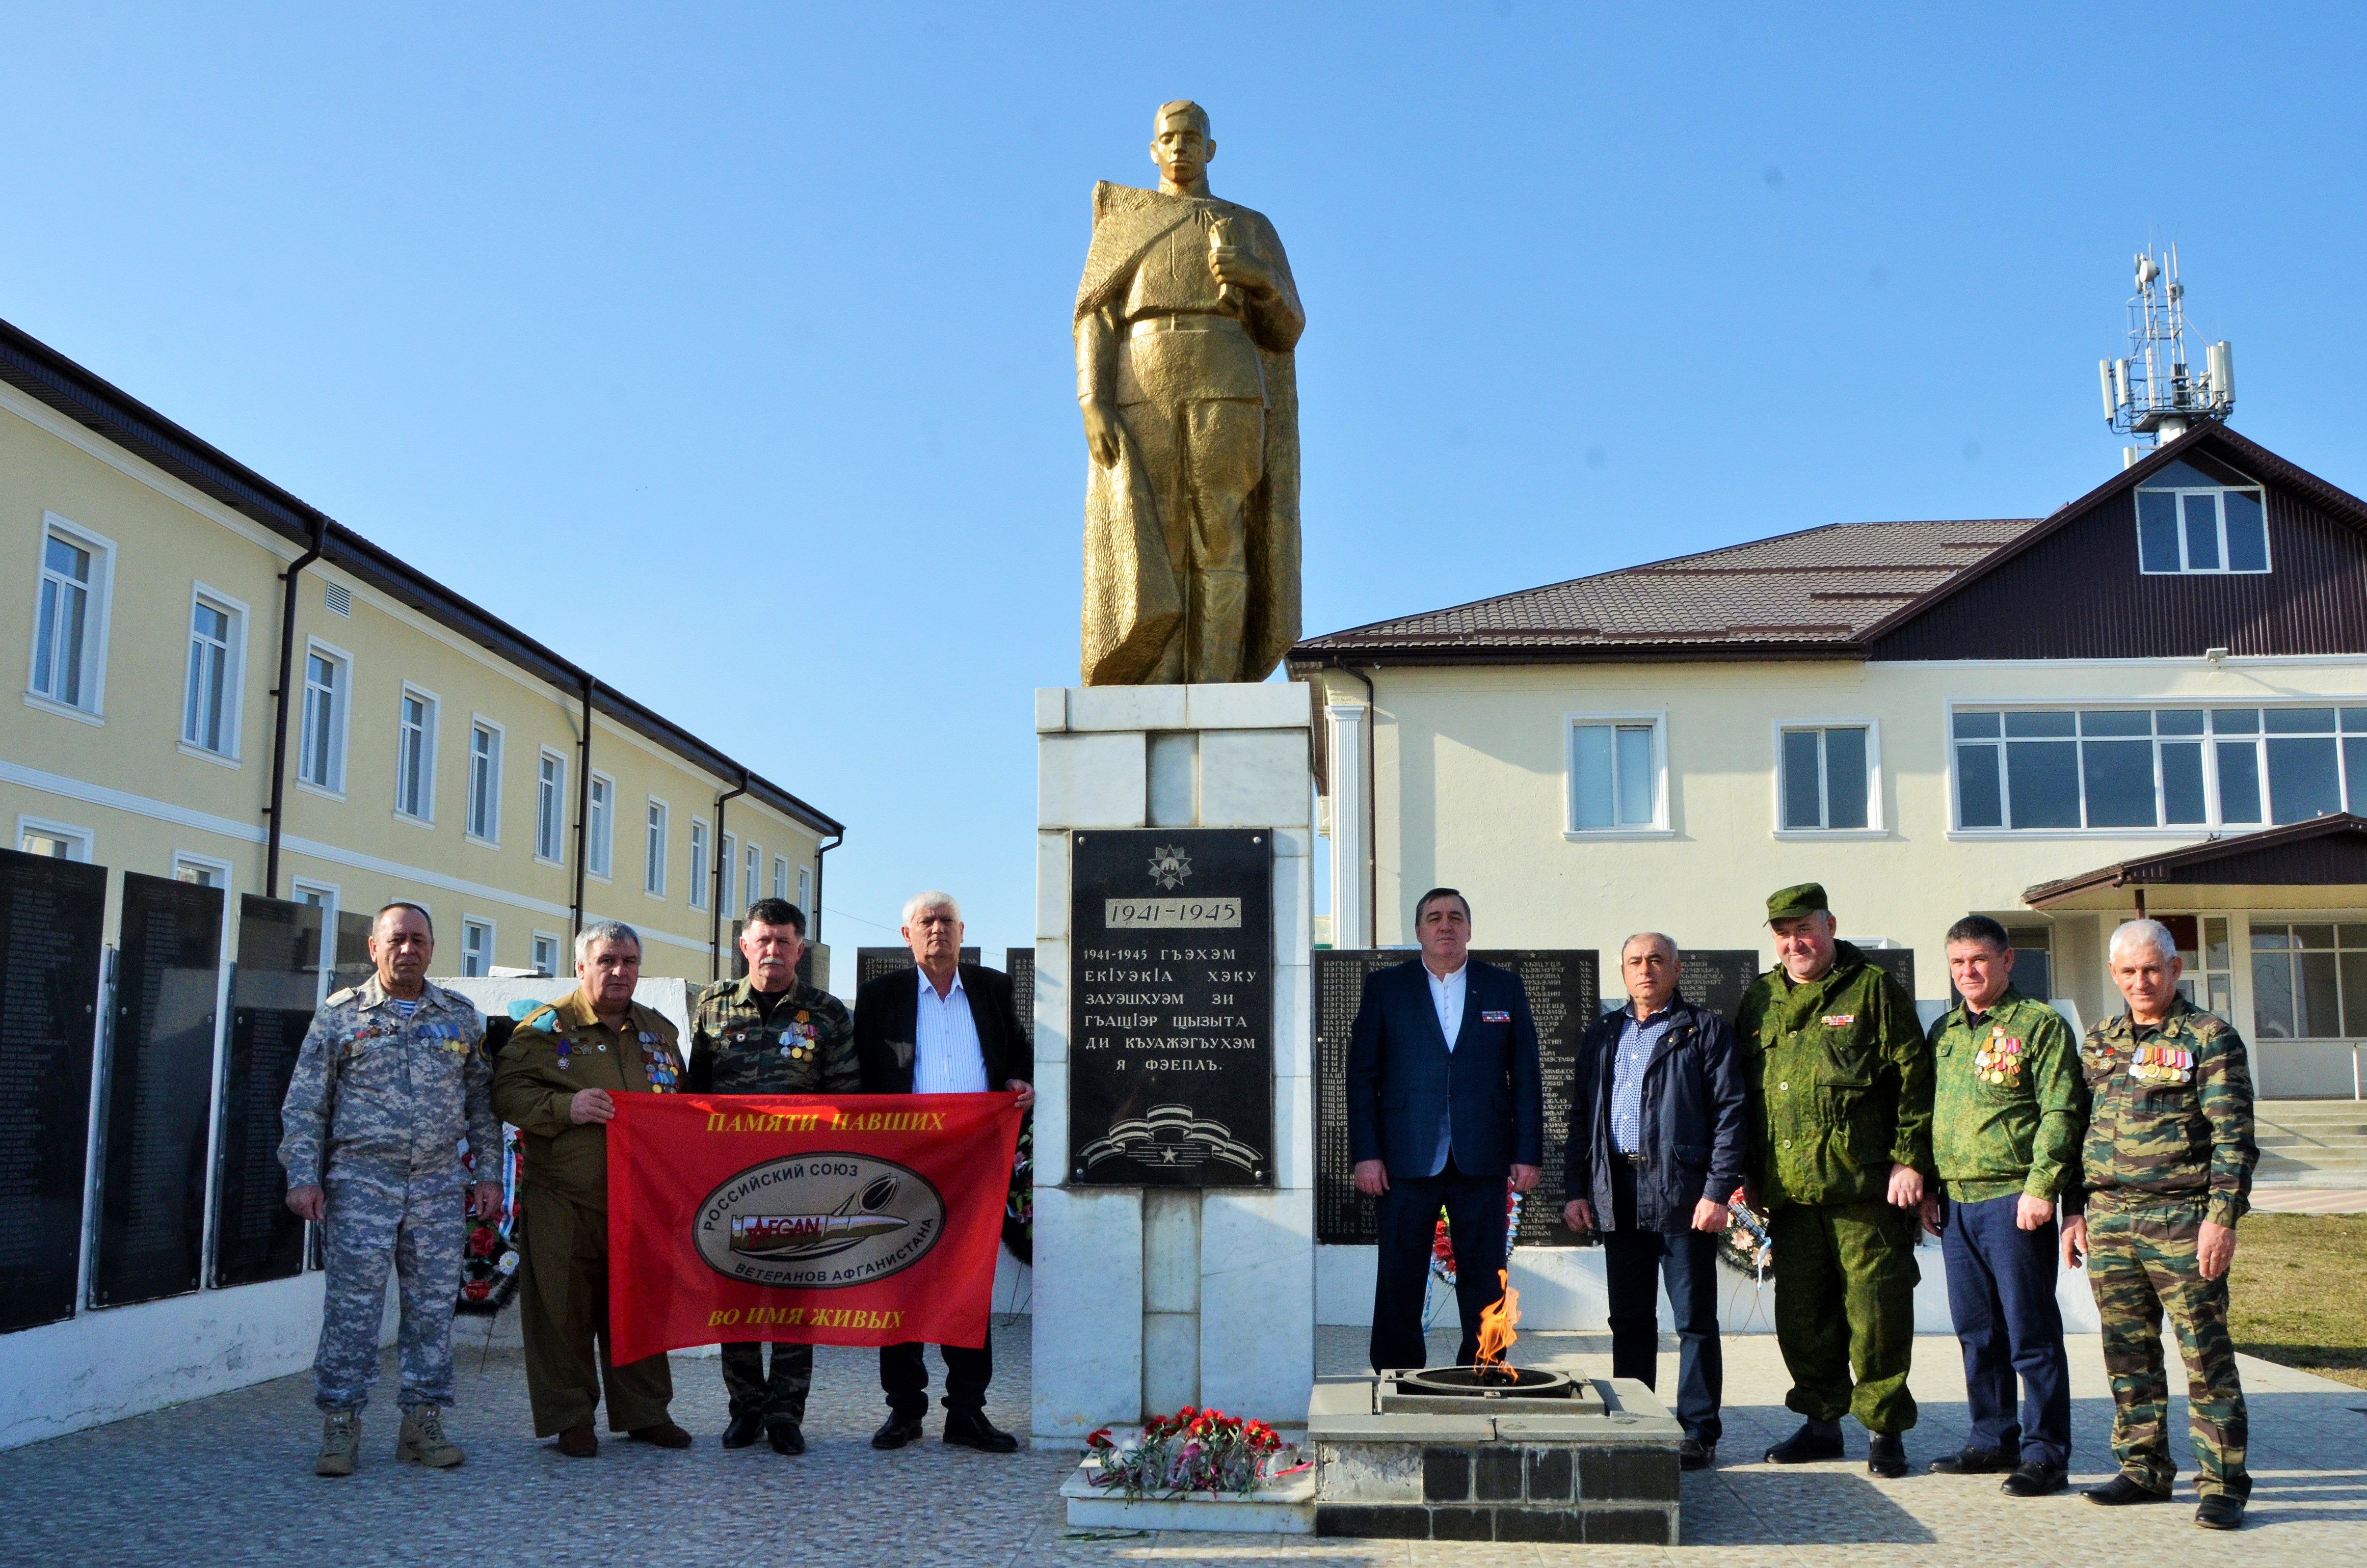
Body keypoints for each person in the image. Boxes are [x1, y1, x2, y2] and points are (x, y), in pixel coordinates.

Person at [1074, 97, 1306, 685]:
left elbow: (1287, 329)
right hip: (1142, 378)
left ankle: (1216, 679)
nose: (1180, 147)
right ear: (1154, 149)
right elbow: (1093, 315)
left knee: (1220, 529)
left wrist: (1260, 279)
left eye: (1191, 137)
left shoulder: (1250, 226)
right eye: (1169, 138)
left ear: (1210, 149)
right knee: (1157, 527)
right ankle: (1156, 673)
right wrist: (1092, 398)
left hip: (1226, 375)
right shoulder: (1123, 224)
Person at [279, 901, 502, 1477]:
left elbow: (482, 1104)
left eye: (420, 940)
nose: (409, 949)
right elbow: (307, 1103)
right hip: (360, 1183)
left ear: (432, 948)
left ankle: (422, 1422)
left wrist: (488, 1175)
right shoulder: (340, 1017)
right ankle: (340, 1425)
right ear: (373, 948)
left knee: (431, 1311)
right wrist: (302, 1175)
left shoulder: (459, 1017)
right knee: (353, 1311)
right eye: (397, 939)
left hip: (435, 1184)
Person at [2062, 918, 2257, 1530]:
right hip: (2110, 1218)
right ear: (2115, 975)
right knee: (2128, 1354)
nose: (2140, 981)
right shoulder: (2099, 1041)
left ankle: (2222, 1483)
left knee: (2204, 1355)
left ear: (2175, 969)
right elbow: (2076, 1131)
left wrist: (2221, 1220)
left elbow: (2233, 1138)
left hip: (2181, 1218)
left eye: (2152, 969)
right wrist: (2075, 1209)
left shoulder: (2210, 1037)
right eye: (2128, 972)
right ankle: (2143, 1469)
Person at [1735, 882, 1932, 1478]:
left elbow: (1914, 1079)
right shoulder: (1760, 998)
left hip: (1862, 1190)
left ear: (1830, 926)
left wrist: (1910, 1161)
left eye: (1806, 929)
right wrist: (1745, 1174)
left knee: (1876, 1314)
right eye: (1783, 933)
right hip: (1790, 1195)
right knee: (1803, 1318)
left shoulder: (1872, 989)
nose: (1796, 942)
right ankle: (1822, 1422)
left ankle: (1883, 1429)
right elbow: (1742, 1095)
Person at [491, 920, 693, 1458]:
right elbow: (506, 1094)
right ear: (581, 966)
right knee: (561, 1312)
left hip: (641, 1202)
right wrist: (565, 1107)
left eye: (629, 961)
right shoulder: (544, 1029)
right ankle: (571, 1418)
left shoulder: (660, 1032)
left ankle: (646, 1412)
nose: (620, 971)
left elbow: (685, 1108)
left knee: (639, 1310)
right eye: (607, 961)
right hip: (564, 1199)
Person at [852, 891, 1036, 1454]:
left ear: (963, 931)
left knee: (968, 1285)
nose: (937, 930)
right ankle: (904, 1411)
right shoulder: (881, 997)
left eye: (946, 922)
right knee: (900, 1281)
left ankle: (968, 1412)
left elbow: (1017, 1052)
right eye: (926, 922)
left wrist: (1018, 1081)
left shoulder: (991, 989)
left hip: (973, 1162)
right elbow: (860, 1075)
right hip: (901, 1163)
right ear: (907, 935)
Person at [1561, 932, 1747, 1471]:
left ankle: (1697, 1430)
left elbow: (1730, 1115)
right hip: (1616, 1192)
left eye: (1657, 961)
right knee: (1630, 1318)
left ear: (1676, 968)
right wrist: (1578, 1189)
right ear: (1623, 971)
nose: (1646, 970)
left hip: (1681, 1193)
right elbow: (1581, 1118)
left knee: (1693, 1320)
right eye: (1636, 962)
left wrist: (1717, 1192)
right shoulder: (1603, 1033)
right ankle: (1635, 1418)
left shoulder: (1703, 1030)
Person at [1346, 887, 1545, 1373]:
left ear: (1470, 929)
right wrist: (1366, 1153)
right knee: (1399, 1272)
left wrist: (1528, 1153)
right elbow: (1362, 1076)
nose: (1445, 926)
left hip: (1482, 1154)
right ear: (1418, 931)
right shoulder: (1386, 988)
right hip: (1404, 1156)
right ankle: (1398, 1372)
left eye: (1456, 917)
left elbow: (1525, 1075)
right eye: (1434, 918)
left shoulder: (1503, 988)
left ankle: (1483, 1369)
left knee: (1485, 1276)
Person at [685, 898, 856, 1456]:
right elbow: (693, 1095)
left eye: (785, 942)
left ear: (800, 950)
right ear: (744, 945)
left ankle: (785, 1412)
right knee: (732, 1288)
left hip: (799, 1180)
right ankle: (744, 1409)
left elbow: (848, 1102)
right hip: (726, 1178)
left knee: (792, 1294)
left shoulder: (827, 1014)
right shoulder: (712, 1005)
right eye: (764, 941)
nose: (774, 952)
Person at [1920, 915, 2082, 1497]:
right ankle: (1991, 1439)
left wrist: (2043, 1188)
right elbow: (1933, 1114)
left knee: (2029, 1333)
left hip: (2014, 1200)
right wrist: (1932, 1188)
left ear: (2007, 961)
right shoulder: (1944, 1032)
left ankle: (2045, 1452)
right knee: (1976, 1331)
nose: (1968, 972)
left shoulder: (2038, 1027)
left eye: (1979, 961)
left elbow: (2060, 1112)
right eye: (1958, 962)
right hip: (1958, 1203)